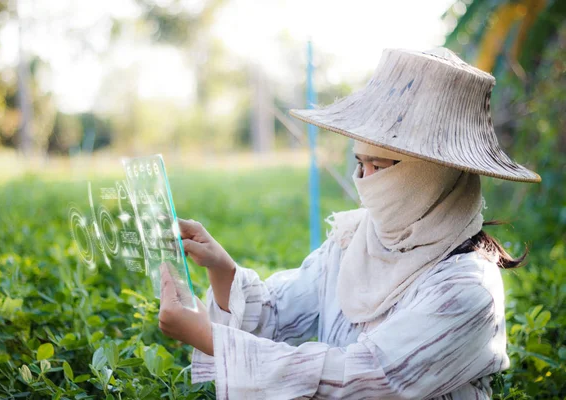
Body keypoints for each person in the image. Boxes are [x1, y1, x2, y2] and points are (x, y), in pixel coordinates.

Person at [157, 48, 541, 399]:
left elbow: (367, 379)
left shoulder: (467, 289)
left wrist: (212, 340)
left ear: (436, 174)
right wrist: (223, 271)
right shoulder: (355, 240)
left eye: (381, 166)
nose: (365, 181)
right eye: (361, 164)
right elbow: (280, 310)